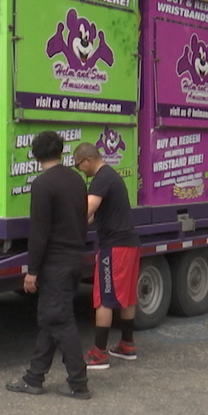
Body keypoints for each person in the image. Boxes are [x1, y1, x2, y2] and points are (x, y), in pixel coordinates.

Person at [6, 131, 91, 400]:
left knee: (61, 321)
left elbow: (39, 232)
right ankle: (34, 378)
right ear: (62, 151)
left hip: (55, 263)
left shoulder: (43, 185)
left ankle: (79, 383)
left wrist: (32, 270)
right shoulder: (77, 179)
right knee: (51, 319)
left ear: (35, 155)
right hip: (75, 257)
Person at [72, 142, 140, 370]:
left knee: (104, 298)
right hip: (130, 245)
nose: (79, 169)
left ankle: (99, 353)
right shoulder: (111, 176)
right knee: (127, 297)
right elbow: (93, 218)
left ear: (87, 160)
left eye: (78, 165)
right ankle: (127, 344)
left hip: (114, 248)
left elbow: (86, 211)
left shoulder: (101, 179)